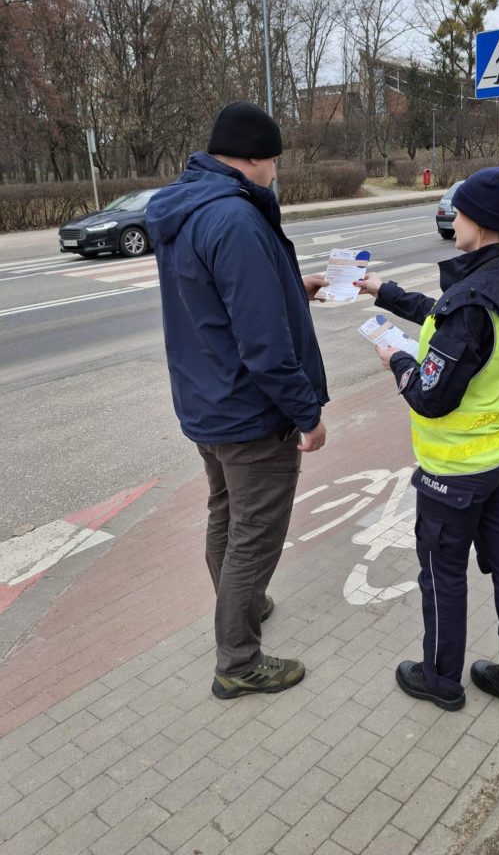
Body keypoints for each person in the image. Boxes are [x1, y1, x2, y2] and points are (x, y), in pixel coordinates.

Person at [356, 167, 499, 715]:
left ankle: (441, 679)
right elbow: (449, 323)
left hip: (457, 474)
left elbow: (430, 395)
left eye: (459, 210)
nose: (454, 217)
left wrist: (395, 358)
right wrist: (385, 292)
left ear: (481, 221)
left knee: (444, 576)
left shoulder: (474, 301)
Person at [146, 101, 329, 700]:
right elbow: (264, 343)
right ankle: (240, 660)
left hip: (206, 402)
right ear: (255, 158)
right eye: (274, 160)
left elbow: (216, 302)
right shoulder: (237, 220)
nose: (276, 171)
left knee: (226, 513)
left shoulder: (187, 208)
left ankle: (240, 605)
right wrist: (307, 413)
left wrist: (288, 286)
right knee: (255, 533)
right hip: (251, 412)